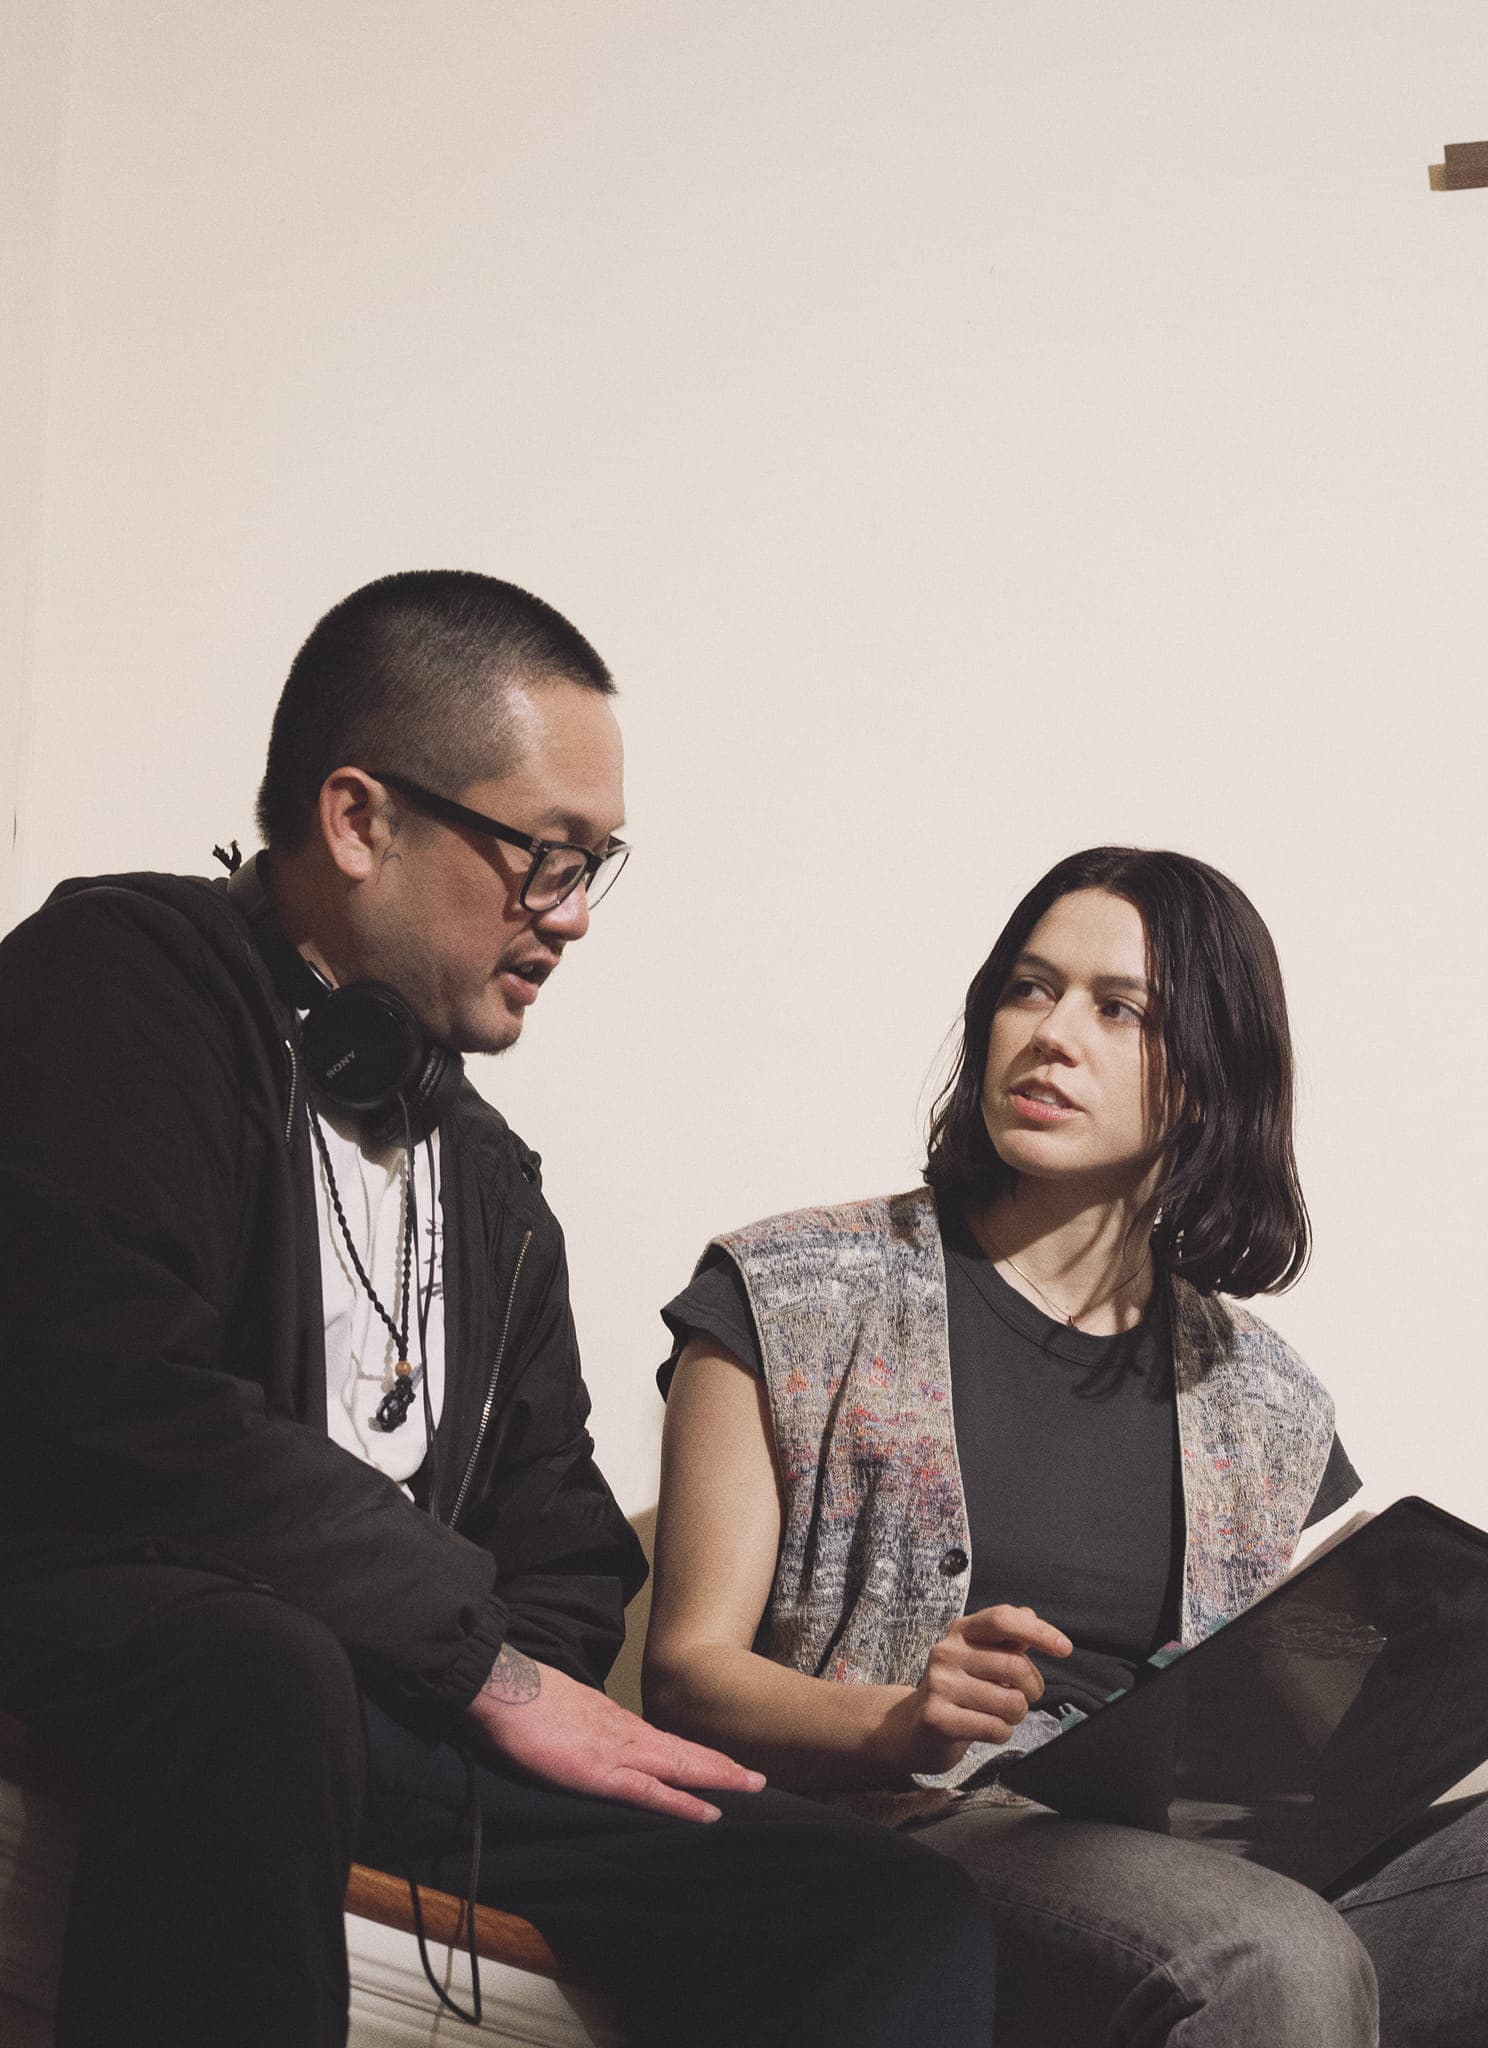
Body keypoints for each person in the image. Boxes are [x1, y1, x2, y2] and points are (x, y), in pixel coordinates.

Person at [0, 570, 999, 2048]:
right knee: (261, 1670)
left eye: (598, 866)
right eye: (545, 856)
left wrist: (484, 1677)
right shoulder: (119, 984)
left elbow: (568, 1540)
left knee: (896, 1909)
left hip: (383, 1707)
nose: (575, 917)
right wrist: (472, 1662)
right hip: (133, 1646)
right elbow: (112, 1402)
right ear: (359, 820)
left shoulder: (485, 1179)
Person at [646, 845, 1488, 2048]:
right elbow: (686, 1674)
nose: (1050, 1033)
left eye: (1118, 1008)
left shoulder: (1268, 1399)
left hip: (1187, 1860)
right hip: (912, 1837)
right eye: (1027, 989)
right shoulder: (792, 1291)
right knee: (1270, 1948)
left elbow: (1283, 1742)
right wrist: (902, 1719)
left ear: (1209, 1077)